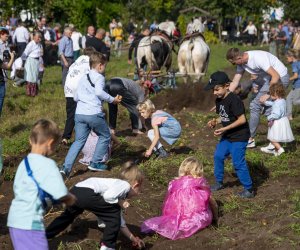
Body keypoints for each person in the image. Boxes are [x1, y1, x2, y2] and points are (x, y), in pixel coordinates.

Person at [7, 119, 76, 250]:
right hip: (30, 222)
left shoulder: (24, 163)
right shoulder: (48, 164)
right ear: (50, 143)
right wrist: (71, 199)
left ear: (30, 140)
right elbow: (61, 193)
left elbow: (17, 188)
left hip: (14, 220)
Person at [46, 162, 145, 250]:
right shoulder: (125, 185)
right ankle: (107, 246)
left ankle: (46, 235)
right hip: (88, 193)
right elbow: (108, 197)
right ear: (135, 185)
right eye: (139, 190)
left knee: (67, 216)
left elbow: (119, 221)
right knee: (113, 214)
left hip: (76, 190)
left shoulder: (117, 187)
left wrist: (132, 238)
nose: (138, 193)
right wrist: (120, 203)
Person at [59, 52, 122, 178]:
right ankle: (96, 162)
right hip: (93, 113)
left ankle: (66, 168)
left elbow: (76, 97)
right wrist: (112, 99)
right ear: (99, 66)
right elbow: (99, 92)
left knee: (78, 141)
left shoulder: (84, 77)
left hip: (80, 114)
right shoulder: (99, 77)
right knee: (105, 135)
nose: (105, 69)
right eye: (104, 66)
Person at [226, 48, 289, 149]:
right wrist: (224, 97)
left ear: (239, 57)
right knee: (269, 110)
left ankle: (250, 139)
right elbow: (235, 82)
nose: (235, 65)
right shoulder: (241, 63)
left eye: (234, 63)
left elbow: (275, 76)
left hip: (280, 78)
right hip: (270, 80)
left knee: (255, 105)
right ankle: (274, 143)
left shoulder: (258, 58)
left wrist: (269, 93)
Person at [141, 156, 218, 240]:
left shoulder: (173, 183)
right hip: (197, 218)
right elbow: (211, 200)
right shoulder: (199, 182)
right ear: (199, 170)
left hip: (176, 216)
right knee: (206, 201)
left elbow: (167, 201)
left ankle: (175, 226)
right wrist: (216, 217)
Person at [205, 71, 254, 198]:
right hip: (228, 135)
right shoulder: (219, 100)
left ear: (227, 86)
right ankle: (219, 182)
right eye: (213, 90)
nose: (214, 92)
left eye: (217, 89)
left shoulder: (234, 100)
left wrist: (224, 128)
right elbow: (226, 116)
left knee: (238, 162)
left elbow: (242, 119)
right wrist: (215, 121)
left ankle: (249, 189)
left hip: (239, 136)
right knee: (218, 156)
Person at [62, 47, 96, 145]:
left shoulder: (75, 62)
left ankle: (65, 137)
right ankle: (88, 135)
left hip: (68, 89)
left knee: (71, 114)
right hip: (79, 88)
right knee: (87, 110)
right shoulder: (90, 63)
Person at [260, 84, 294, 156]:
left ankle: (280, 149)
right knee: (278, 137)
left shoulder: (277, 103)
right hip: (283, 121)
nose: (270, 95)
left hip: (278, 122)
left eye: (271, 94)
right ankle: (276, 152)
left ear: (275, 94)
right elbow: (273, 103)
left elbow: (276, 114)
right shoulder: (282, 100)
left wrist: (269, 117)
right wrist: (265, 102)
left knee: (272, 138)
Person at [22, 31, 43, 97]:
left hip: (36, 61)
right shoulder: (31, 44)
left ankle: (34, 92)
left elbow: (41, 53)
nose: (39, 39)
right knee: (30, 77)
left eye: (40, 37)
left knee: (35, 77)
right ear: (34, 37)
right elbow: (25, 53)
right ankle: (29, 92)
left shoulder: (39, 44)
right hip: (30, 61)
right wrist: (22, 63)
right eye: (38, 37)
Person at [0, 28, 15, 116]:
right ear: (1, 35)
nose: (7, 38)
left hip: (3, 68)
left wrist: (10, 56)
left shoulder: (5, 44)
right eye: (6, 36)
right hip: (2, 66)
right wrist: (11, 58)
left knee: (2, 93)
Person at [286, 49, 300, 120]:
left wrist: (287, 80)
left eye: (287, 58)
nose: (287, 59)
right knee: (288, 99)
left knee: (295, 102)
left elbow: (295, 76)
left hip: (298, 86)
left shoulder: (294, 64)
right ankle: (289, 116)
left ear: (291, 57)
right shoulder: (298, 62)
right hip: (296, 86)